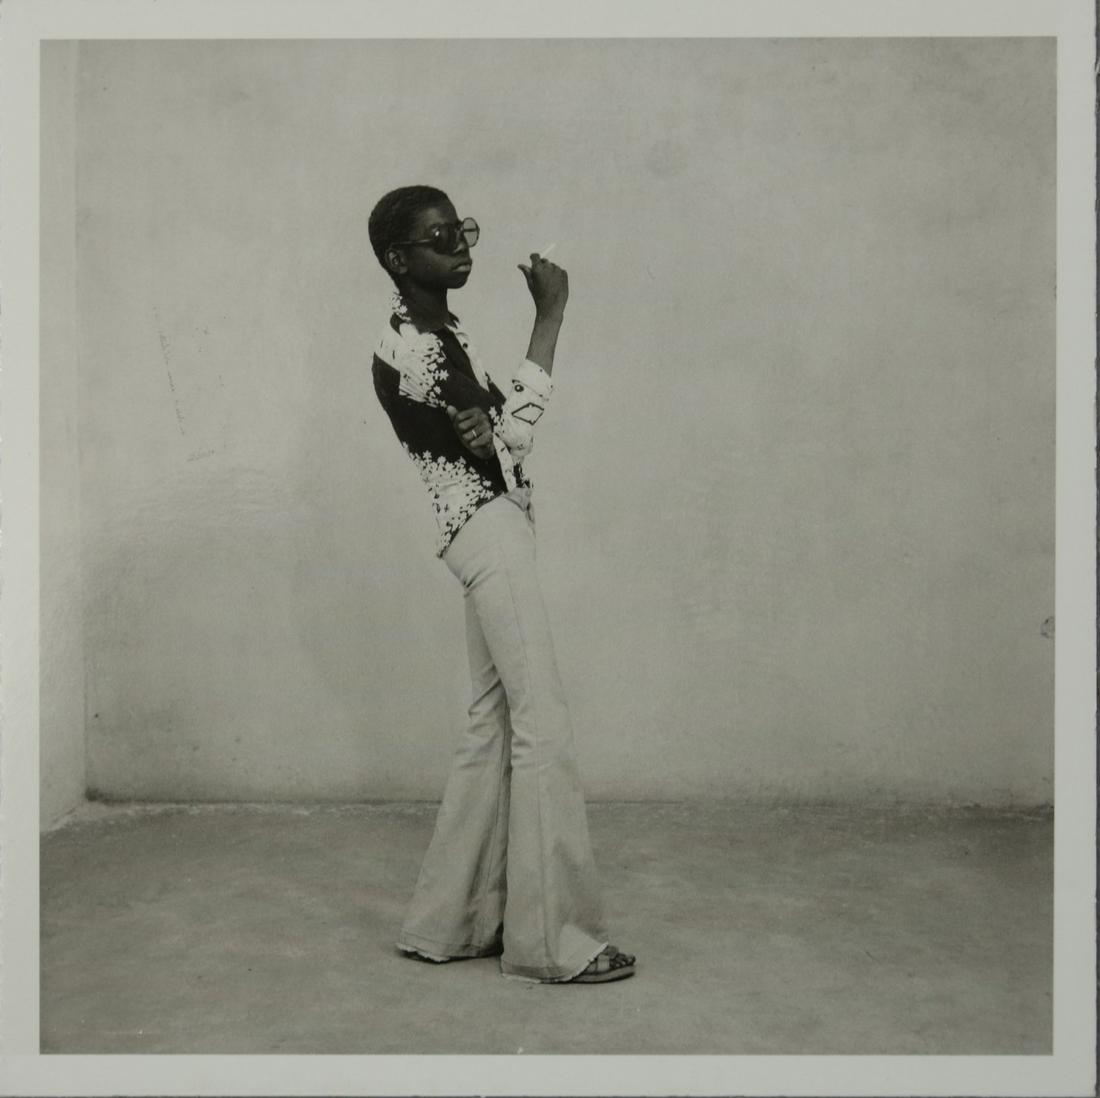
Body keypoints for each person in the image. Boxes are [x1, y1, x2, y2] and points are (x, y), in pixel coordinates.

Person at [368, 185, 635, 983]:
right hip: (489, 530)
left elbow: (497, 432)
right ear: (398, 258)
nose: (460, 247)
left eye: (462, 230)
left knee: (491, 723)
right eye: (439, 237)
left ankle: (448, 924)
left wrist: (490, 424)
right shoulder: (417, 347)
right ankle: (556, 944)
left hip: (481, 529)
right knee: (541, 721)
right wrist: (550, 318)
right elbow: (511, 438)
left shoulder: (434, 334)